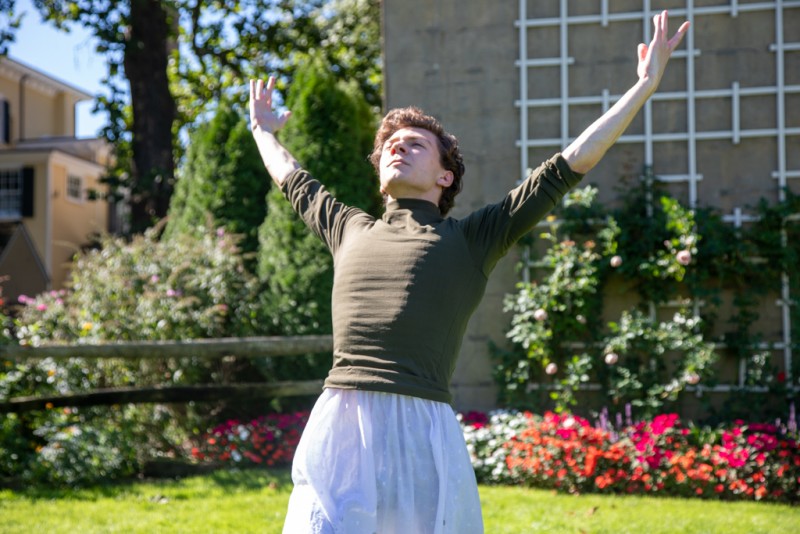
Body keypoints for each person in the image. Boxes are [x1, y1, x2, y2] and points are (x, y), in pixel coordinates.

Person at [249, 11, 689, 534]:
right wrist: (261, 128)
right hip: (341, 417)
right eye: (391, 143)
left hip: (420, 424)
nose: (397, 146)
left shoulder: (474, 237)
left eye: (415, 144)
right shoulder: (348, 227)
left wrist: (644, 87)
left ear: (444, 175)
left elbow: (571, 163)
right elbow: (290, 176)